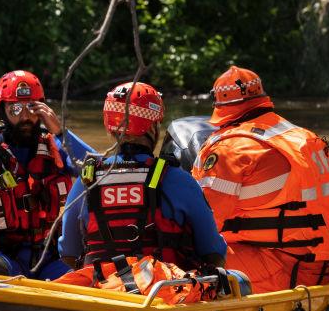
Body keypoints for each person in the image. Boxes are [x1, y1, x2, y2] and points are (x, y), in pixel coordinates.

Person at [191, 66, 329, 293]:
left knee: (182, 253)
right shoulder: (304, 137)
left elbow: (204, 222)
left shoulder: (232, 148)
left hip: (279, 270)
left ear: (220, 108)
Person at [58, 81, 227, 277]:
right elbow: (213, 252)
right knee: (237, 279)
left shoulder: (86, 180)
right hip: (163, 294)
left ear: (110, 128)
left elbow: (69, 252)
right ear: (153, 126)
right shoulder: (178, 179)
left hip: (104, 291)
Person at [0, 70, 93, 278]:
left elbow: (100, 173)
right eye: (15, 108)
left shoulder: (58, 148)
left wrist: (60, 131)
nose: (25, 117)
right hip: (2, 257)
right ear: (3, 111)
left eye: (32, 108)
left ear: (42, 110)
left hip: (47, 259)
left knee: (84, 280)